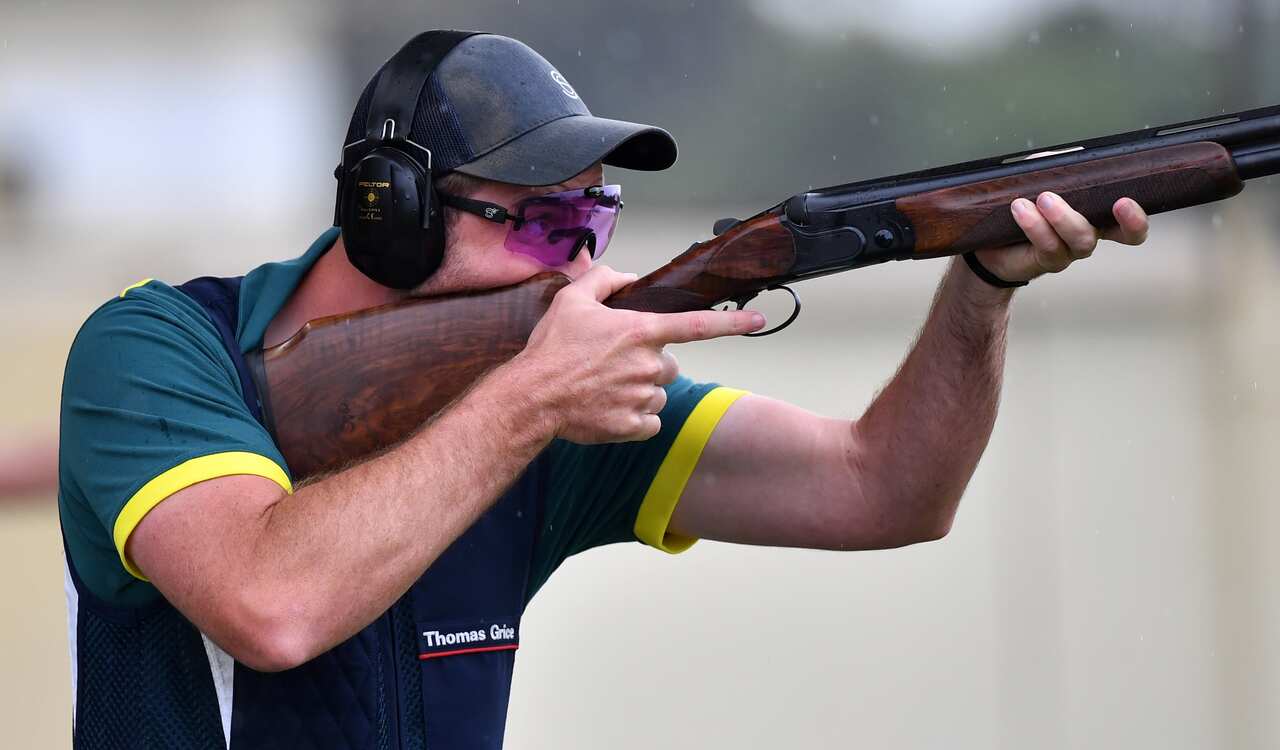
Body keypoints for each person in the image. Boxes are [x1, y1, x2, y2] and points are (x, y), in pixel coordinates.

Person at [57, 31, 1150, 749]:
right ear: (392, 210)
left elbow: (885, 490)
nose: (578, 267)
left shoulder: (535, 385)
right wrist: (530, 401)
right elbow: (272, 604)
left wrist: (979, 286)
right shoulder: (159, 348)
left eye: (593, 220)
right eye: (541, 222)